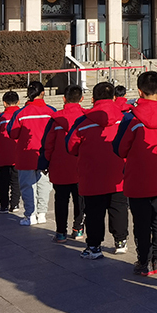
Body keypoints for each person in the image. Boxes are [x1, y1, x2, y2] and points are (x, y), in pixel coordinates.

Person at [113, 71, 157, 276]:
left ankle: (143, 260)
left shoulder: (131, 117)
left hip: (137, 177)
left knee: (141, 221)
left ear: (139, 90)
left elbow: (120, 149)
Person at [66, 81, 128, 259]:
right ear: (114, 98)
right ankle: (121, 241)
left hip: (91, 175)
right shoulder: (124, 118)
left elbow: (71, 147)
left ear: (93, 99)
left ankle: (94, 246)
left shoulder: (82, 122)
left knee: (94, 212)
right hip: (119, 173)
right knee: (119, 207)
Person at [40, 84, 86, 243]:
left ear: (64, 98)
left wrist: (45, 161)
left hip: (59, 165)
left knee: (61, 200)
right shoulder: (86, 117)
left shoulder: (55, 119)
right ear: (82, 98)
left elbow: (48, 143)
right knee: (80, 199)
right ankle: (78, 228)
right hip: (81, 165)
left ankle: (60, 232)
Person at [7, 81, 56, 226]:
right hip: (45, 154)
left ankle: (30, 215)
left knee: (27, 186)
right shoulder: (52, 111)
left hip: (26, 154)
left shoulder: (20, 113)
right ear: (43, 93)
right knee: (44, 185)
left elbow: (13, 133)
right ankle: (42, 213)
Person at [0, 91, 21, 213]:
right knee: (15, 181)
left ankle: (4, 205)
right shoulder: (21, 115)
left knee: (3, 182)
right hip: (17, 155)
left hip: (1, 156)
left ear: (4, 103)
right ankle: (15, 204)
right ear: (18, 102)